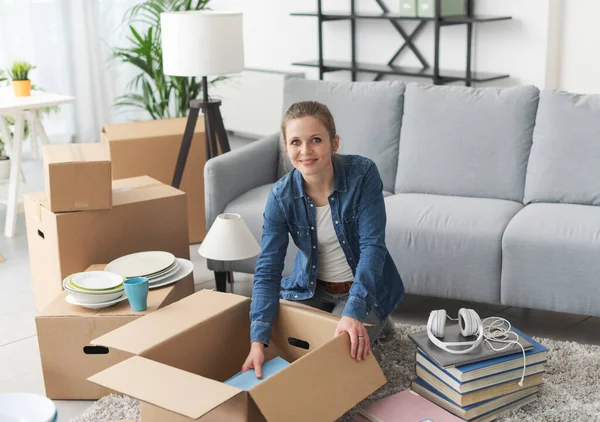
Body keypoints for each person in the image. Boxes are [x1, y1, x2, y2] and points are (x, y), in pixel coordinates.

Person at [241, 101, 405, 378]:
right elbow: (268, 270)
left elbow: (372, 249)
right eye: (295, 142)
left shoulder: (363, 174)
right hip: (311, 288)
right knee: (282, 342)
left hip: (361, 288)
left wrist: (353, 312)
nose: (305, 151)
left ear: (334, 142)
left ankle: (374, 315)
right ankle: (370, 322)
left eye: (316, 140)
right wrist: (258, 342)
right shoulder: (281, 197)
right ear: (285, 147)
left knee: (336, 356)